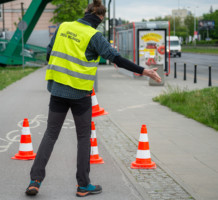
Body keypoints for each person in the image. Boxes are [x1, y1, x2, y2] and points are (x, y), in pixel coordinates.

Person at [25, 0, 161, 197]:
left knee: (50, 134)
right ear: (100, 18)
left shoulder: (63, 27)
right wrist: (144, 71)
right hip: (80, 94)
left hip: (57, 91)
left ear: (86, 13)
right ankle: (83, 185)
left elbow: (49, 52)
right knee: (83, 138)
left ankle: (35, 181)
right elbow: (117, 59)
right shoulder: (94, 35)